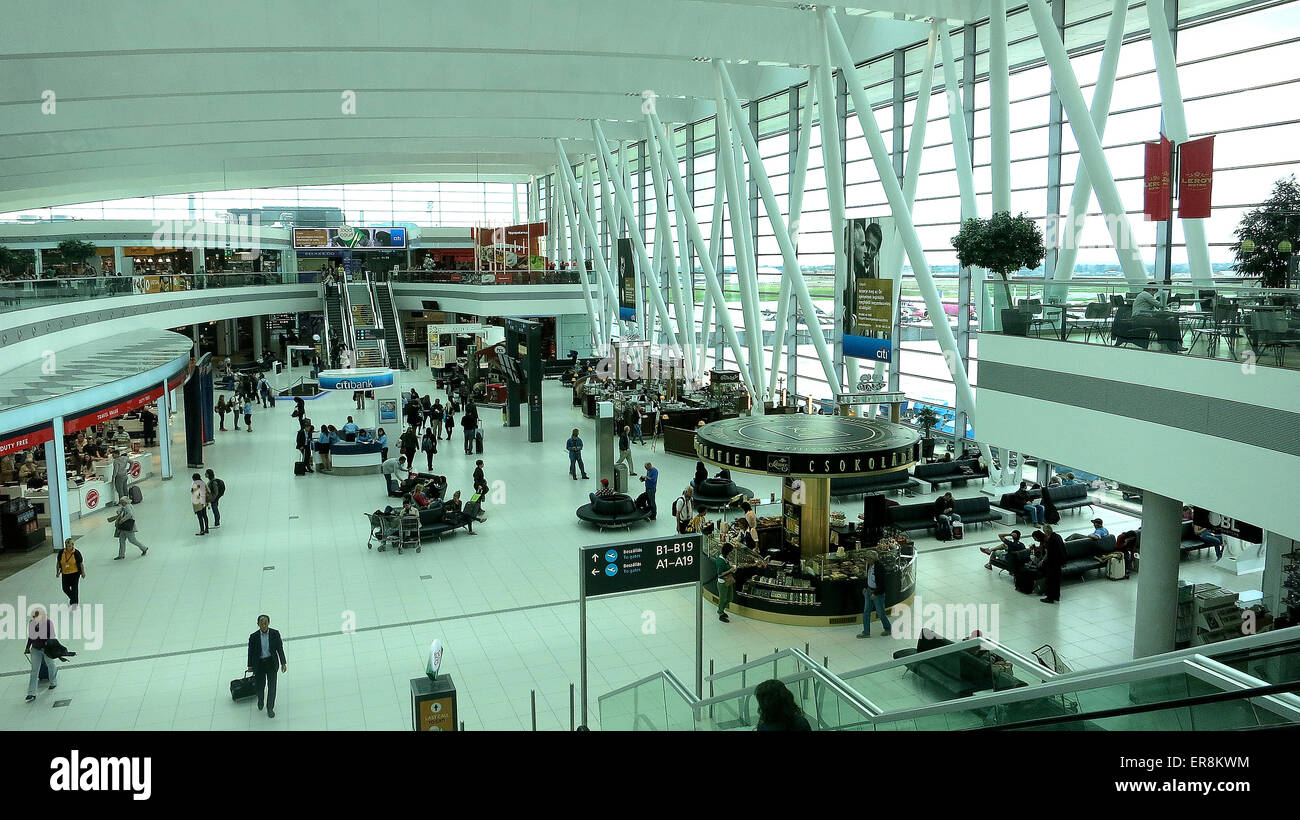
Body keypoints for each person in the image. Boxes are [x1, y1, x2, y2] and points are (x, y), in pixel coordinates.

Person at [245, 615, 287, 719]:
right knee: (260, 686)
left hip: (271, 663)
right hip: (259, 664)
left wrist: (283, 663)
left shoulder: (275, 634)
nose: (263, 625)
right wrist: (250, 665)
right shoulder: (253, 636)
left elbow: (279, 649)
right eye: (261, 623)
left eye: (265, 623)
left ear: (269, 623)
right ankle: (260, 700)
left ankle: (270, 708)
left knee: (272, 687)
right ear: (258, 624)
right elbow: (250, 652)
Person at [1130, 282, 1185, 353]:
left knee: (1171, 323)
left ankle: (1174, 344)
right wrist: (1167, 304)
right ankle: (1170, 345)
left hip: (1143, 318)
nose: (1154, 294)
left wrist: (1164, 307)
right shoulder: (1145, 294)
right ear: (1151, 290)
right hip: (1140, 318)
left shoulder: (1143, 295)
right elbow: (1159, 305)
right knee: (1165, 323)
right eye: (1154, 292)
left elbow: (1154, 309)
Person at [24, 607, 59, 703]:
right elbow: (31, 636)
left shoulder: (48, 623)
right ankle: (31, 693)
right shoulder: (31, 623)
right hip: (35, 649)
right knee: (34, 670)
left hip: (46, 648)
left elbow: (52, 636)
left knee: (50, 664)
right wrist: (27, 647)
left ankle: (53, 681)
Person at [857, 549, 892, 638]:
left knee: (880, 613)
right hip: (869, 591)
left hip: (877, 594)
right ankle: (866, 632)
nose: (866, 560)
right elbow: (868, 577)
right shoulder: (869, 565)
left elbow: (882, 583)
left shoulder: (879, 567)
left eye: (867, 558)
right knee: (866, 612)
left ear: (872, 559)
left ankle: (888, 628)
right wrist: (866, 587)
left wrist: (875, 593)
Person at [1040, 525, 1066, 604]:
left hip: (1052, 563)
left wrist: (1042, 561)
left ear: (1047, 531)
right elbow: (1063, 549)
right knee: (1056, 581)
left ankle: (1050, 597)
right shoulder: (1058, 536)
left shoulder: (1051, 540)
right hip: (1058, 563)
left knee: (1050, 580)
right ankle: (1056, 596)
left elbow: (1049, 553)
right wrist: (1063, 561)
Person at [56, 538, 85, 607]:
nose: (68, 547)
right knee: (65, 588)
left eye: (69, 546)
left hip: (75, 573)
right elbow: (58, 563)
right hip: (65, 573)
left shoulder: (76, 553)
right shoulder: (61, 552)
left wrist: (83, 572)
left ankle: (74, 603)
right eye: (67, 546)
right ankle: (74, 599)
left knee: (74, 588)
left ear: (72, 545)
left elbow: (80, 563)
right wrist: (58, 572)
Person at [714, 543, 735, 622]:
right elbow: (720, 574)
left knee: (730, 598)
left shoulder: (725, 558)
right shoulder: (720, 561)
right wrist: (730, 570)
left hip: (728, 581)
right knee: (723, 599)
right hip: (722, 583)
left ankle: (722, 609)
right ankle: (720, 612)